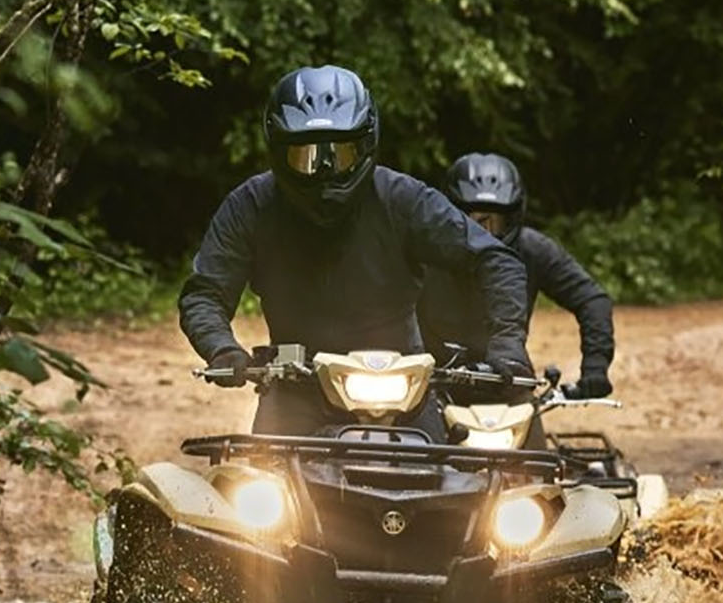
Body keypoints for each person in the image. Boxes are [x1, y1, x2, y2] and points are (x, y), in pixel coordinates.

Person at [178, 66, 532, 437]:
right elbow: (205, 293)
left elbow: (495, 259)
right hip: (296, 391)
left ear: (366, 146)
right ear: (278, 151)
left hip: (405, 392)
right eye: (306, 156)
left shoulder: (402, 199)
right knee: (252, 486)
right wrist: (222, 348)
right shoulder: (250, 206)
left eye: (340, 153)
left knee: (455, 488)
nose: (324, 171)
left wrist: (507, 343)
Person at [432, 152, 615, 400]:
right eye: (473, 219)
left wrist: (595, 366)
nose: (483, 231)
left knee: (531, 438)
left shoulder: (532, 249)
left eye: (494, 221)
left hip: (507, 377)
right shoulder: (425, 246)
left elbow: (592, 299)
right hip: (430, 382)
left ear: (513, 217)